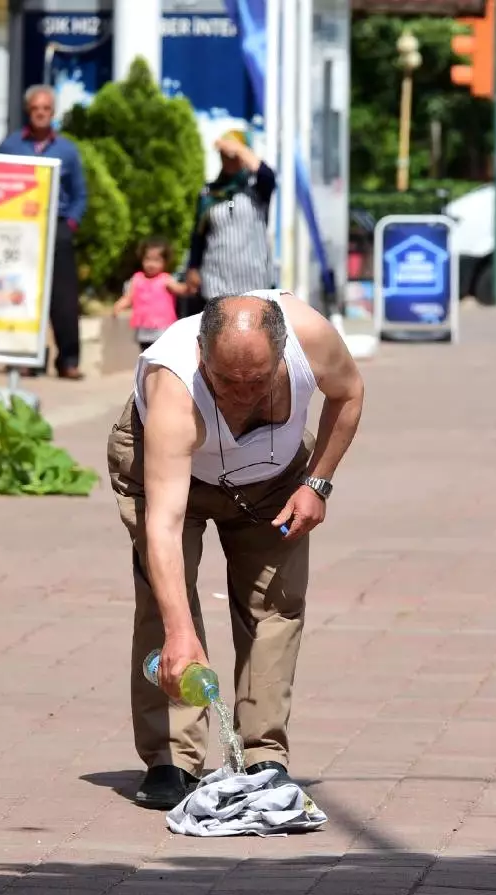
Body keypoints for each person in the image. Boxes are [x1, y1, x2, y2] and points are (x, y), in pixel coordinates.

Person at [107, 289, 365, 811]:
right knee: (167, 605)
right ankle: (170, 759)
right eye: (226, 382)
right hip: (169, 477)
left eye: (258, 382)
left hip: (275, 476)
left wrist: (317, 484)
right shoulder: (172, 383)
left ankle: (263, 754)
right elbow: (164, 523)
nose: (242, 395)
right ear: (203, 356)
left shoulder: (310, 337)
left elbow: (350, 393)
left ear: (283, 353)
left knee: (276, 604)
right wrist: (181, 634)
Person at [0, 85, 87, 380]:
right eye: (36, 109)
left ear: (53, 112)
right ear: (28, 111)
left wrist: (69, 223)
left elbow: (79, 194)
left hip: (57, 226)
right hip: (21, 229)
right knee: (23, 292)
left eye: (46, 109)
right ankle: (28, 359)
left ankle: (68, 360)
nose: (41, 114)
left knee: (64, 298)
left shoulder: (67, 150)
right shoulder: (10, 146)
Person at [184, 131, 276, 310]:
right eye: (224, 155)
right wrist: (193, 267)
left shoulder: (256, 189)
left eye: (233, 155)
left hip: (253, 281)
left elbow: (268, 176)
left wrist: (239, 149)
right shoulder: (208, 192)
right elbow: (199, 234)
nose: (229, 160)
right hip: (215, 281)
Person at [113, 237, 188, 352]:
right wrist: (119, 305)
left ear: (164, 262)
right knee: (147, 357)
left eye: (156, 260)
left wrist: (190, 287)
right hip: (143, 330)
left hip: (163, 329)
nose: (151, 264)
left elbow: (180, 289)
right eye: (148, 259)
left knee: (162, 359)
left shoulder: (166, 279)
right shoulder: (137, 278)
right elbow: (128, 297)